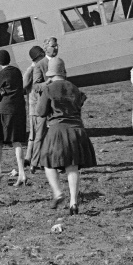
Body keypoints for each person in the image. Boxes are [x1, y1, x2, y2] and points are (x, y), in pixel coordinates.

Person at [36, 57, 96, 214]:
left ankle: (57, 192)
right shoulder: (74, 88)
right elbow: (79, 106)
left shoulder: (49, 89)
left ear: (50, 74)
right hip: (77, 129)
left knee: (47, 161)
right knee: (73, 166)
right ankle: (74, 203)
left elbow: (41, 112)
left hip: (57, 130)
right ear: (63, 71)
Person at [0, 49, 28, 185]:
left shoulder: (1, 74)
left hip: (6, 109)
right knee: (16, 141)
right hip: (19, 108)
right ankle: (22, 173)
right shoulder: (16, 71)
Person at [22, 45, 49, 170]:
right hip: (35, 107)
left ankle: (29, 158)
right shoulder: (32, 70)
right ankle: (32, 160)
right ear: (37, 57)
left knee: (36, 135)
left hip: (37, 106)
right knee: (35, 135)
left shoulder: (37, 68)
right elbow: (24, 85)